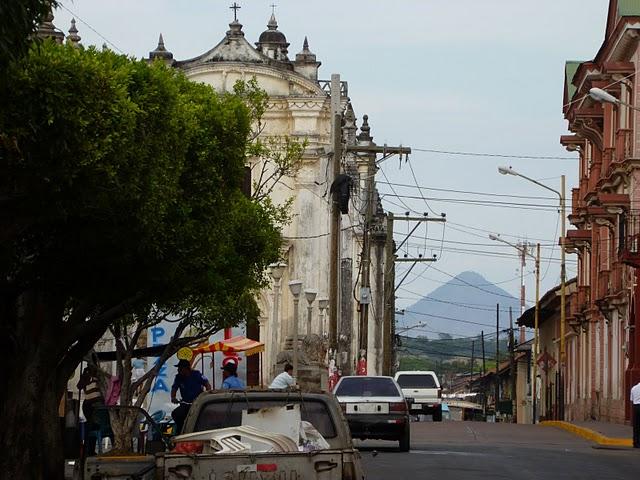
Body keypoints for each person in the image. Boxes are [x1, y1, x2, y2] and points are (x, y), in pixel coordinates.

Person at [171, 359, 211, 435]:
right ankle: (181, 433)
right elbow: (174, 388)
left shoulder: (197, 374)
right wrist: (173, 397)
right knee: (176, 414)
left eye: (180, 368)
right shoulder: (178, 377)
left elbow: (207, 384)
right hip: (185, 403)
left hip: (198, 404)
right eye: (178, 368)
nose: (178, 370)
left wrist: (207, 395)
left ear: (186, 369)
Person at [77, 366, 104, 455]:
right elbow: (79, 386)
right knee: (91, 426)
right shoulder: (86, 376)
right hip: (90, 404)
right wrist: (86, 376)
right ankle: (89, 450)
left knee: (94, 426)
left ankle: (90, 450)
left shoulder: (98, 376)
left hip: (97, 404)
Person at [632, 379, 640, 448]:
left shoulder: (633, 388)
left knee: (636, 425)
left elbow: (631, 399)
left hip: (635, 407)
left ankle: (635, 442)